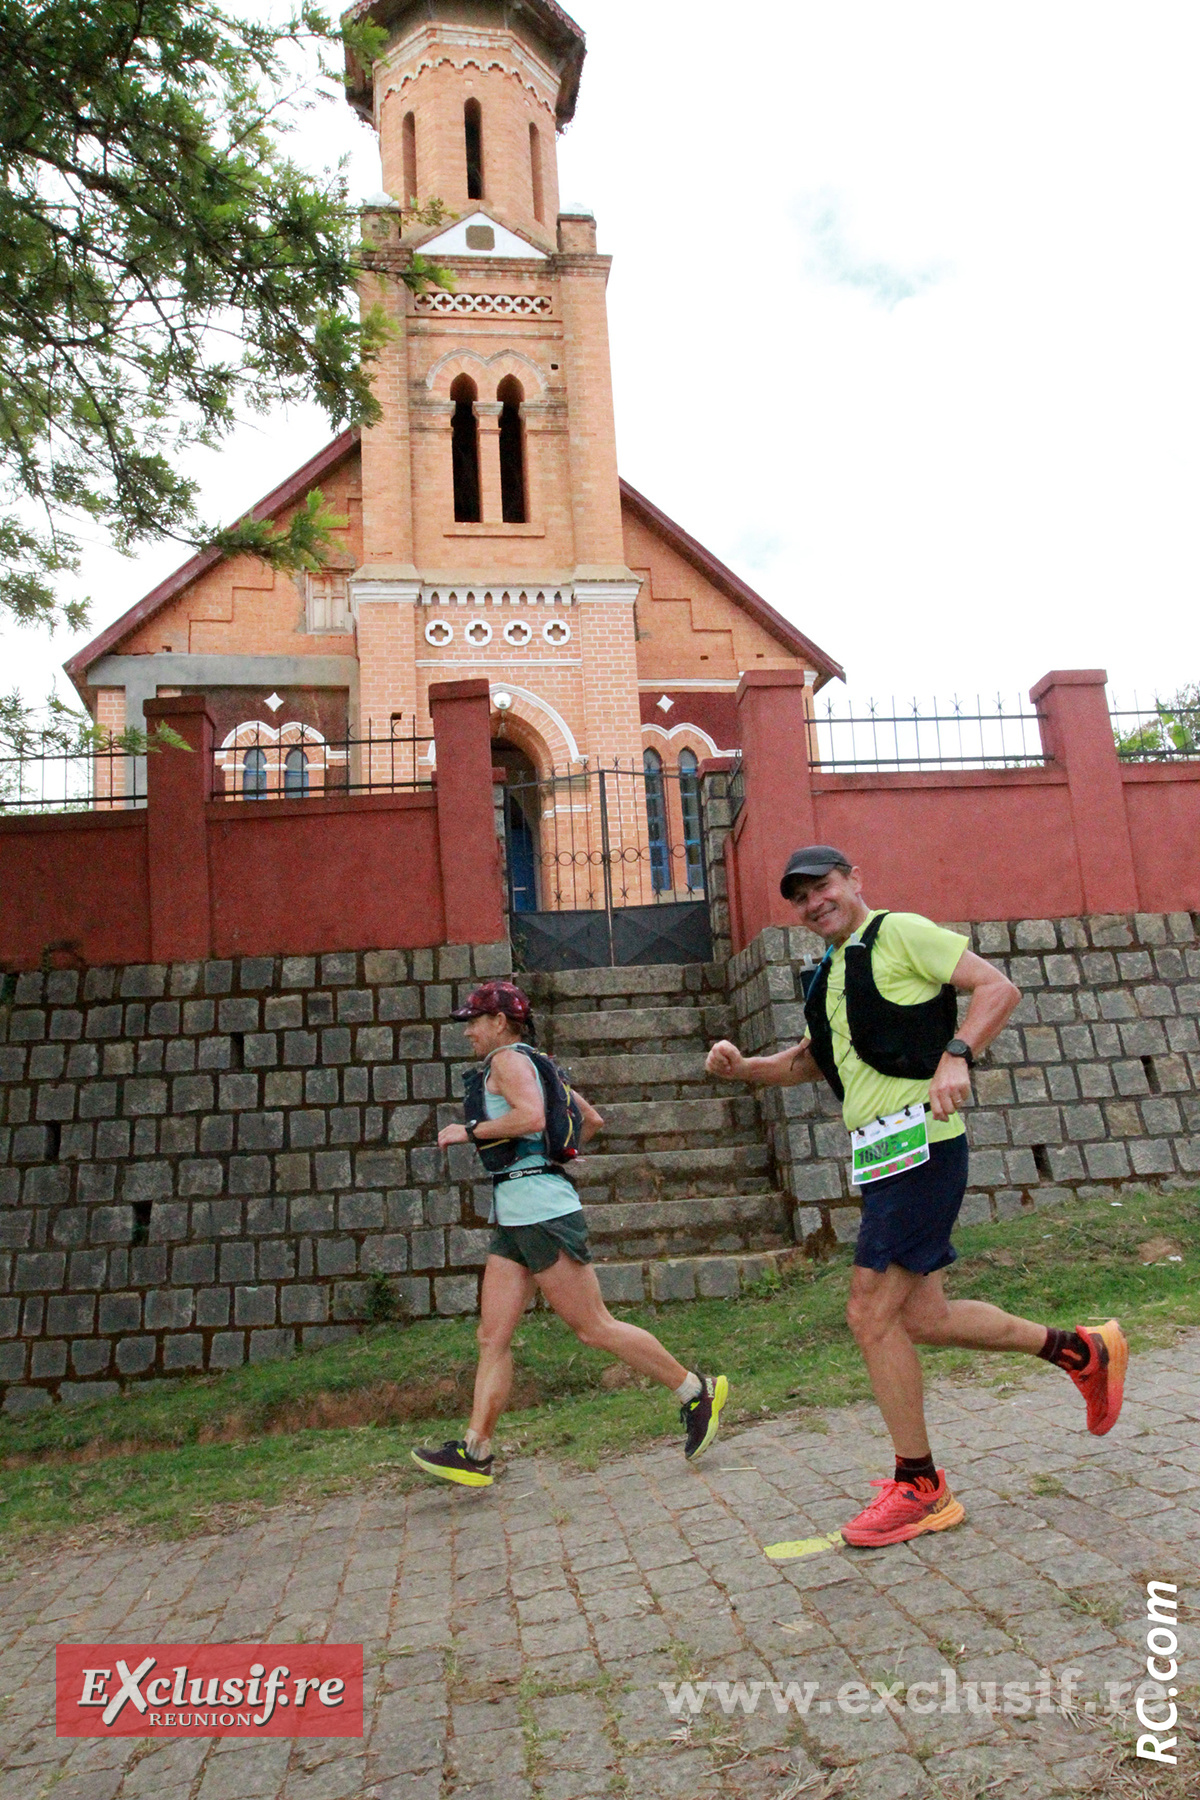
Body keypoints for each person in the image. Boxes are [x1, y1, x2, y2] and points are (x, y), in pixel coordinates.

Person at [706, 846, 1128, 1548]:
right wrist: (743, 1067)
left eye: (824, 887)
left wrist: (956, 1054)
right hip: (880, 1156)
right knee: (924, 1316)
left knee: (869, 1312)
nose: (815, 903)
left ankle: (920, 1486)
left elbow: (996, 988)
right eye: (801, 897)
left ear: (854, 881)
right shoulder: (831, 972)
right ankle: (1082, 1351)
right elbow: (812, 1059)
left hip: (924, 1147)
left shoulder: (899, 932)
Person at [412, 979, 728, 1487]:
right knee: (493, 1336)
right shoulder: (541, 1065)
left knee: (593, 1327)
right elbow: (592, 1121)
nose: (468, 1030)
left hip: (539, 1212)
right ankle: (476, 1450)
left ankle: (696, 1391)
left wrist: (469, 1131)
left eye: (474, 1020)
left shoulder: (507, 1061)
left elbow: (531, 1116)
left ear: (499, 1022)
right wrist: (547, 1160)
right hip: (518, 1214)